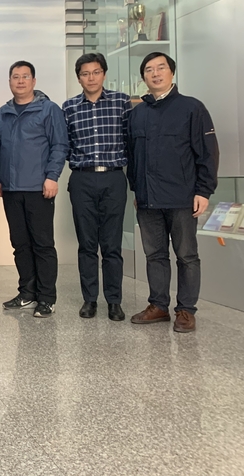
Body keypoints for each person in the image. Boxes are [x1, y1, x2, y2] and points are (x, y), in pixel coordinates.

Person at [127, 52, 219, 333]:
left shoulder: (192, 108)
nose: (155, 74)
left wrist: (204, 190)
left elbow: (208, 153)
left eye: (161, 68)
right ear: (143, 77)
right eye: (149, 70)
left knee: (187, 255)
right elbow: (133, 156)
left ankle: (186, 310)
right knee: (154, 255)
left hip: (182, 197)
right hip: (147, 199)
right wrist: (137, 190)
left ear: (171, 72)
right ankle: (158, 306)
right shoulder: (137, 114)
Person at [0, 60, 68, 318]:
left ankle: (47, 297)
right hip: (11, 189)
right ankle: (27, 292)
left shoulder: (49, 109)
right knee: (20, 244)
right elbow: (1, 147)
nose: (20, 81)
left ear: (34, 81)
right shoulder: (3, 112)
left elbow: (59, 145)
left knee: (43, 244)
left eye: (25, 76)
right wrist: (0, 177)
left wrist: (52, 177)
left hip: (39, 188)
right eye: (15, 77)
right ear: (9, 81)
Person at [62, 53, 130, 321]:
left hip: (113, 178)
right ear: (78, 78)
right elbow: (64, 144)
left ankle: (114, 301)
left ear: (104, 74)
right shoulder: (69, 107)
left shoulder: (121, 102)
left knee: (112, 244)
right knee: (87, 243)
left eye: (96, 72)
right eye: (85, 73)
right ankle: (89, 299)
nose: (91, 78)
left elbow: (130, 141)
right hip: (83, 179)